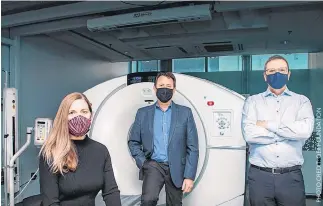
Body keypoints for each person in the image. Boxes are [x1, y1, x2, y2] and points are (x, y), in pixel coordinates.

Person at [242, 55, 314, 206]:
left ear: (288, 74)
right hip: (260, 177)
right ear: (264, 75)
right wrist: (289, 133)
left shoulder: (302, 101)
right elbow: (249, 134)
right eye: (272, 70)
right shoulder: (253, 102)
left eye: (282, 70)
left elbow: (305, 131)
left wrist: (268, 124)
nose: (277, 74)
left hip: (291, 177)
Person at [128, 72, 199, 206]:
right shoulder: (143, 113)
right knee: (148, 200)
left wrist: (189, 176)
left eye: (168, 86)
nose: (164, 89)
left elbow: (193, 147)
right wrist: (143, 162)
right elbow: (133, 142)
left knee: (174, 203)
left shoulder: (185, 113)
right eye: (161, 85)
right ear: (154, 88)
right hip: (154, 165)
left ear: (174, 89)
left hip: (177, 166)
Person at [39, 92, 121, 206]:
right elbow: (50, 202)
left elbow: (111, 192)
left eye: (84, 112)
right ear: (64, 117)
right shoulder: (51, 152)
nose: (79, 117)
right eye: (72, 112)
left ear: (90, 116)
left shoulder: (101, 151)